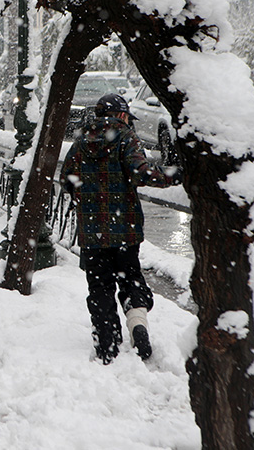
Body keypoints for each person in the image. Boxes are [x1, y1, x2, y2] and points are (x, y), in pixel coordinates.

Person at [60, 93, 182, 364]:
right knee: (130, 280)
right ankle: (137, 323)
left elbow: (66, 179)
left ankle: (107, 344)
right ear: (121, 115)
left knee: (100, 288)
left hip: (92, 234)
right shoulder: (126, 137)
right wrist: (172, 175)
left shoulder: (81, 141)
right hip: (124, 231)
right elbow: (141, 173)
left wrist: (86, 194)